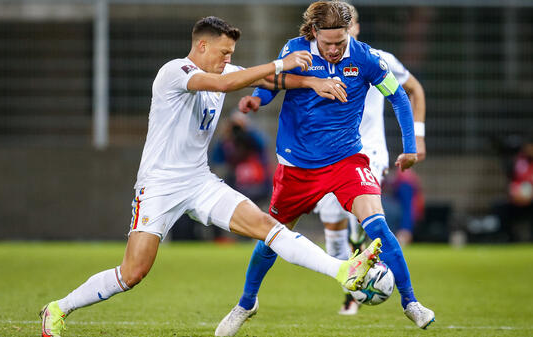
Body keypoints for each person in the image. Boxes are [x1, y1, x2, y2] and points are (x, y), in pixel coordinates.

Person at [39, 16, 382, 337]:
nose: (227, 58)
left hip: (200, 182)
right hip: (158, 187)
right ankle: (59, 308)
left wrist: (309, 81)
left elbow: (266, 80)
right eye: (223, 52)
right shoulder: (174, 72)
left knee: (267, 227)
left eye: (231, 54)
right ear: (202, 46)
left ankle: (342, 270)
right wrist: (281, 62)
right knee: (133, 273)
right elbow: (225, 81)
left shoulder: (223, 69)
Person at [215, 2, 434, 336]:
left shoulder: (365, 58)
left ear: (349, 34)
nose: (334, 49)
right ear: (314, 32)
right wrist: (258, 99)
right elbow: (275, 80)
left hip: (347, 160)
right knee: (271, 238)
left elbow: (400, 97)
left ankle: (411, 302)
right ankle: (246, 303)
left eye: (341, 42)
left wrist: (409, 146)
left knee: (377, 225)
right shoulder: (295, 49)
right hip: (297, 166)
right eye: (328, 42)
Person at [307, 3, 427, 315]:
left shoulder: (378, 59)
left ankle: (370, 275)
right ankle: (349, 284)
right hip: (328, 155)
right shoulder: (316, 59)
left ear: (353, 29)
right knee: (333, 227)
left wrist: (419, 136)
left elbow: (413, 89)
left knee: (362, 217)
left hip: (368, 152)